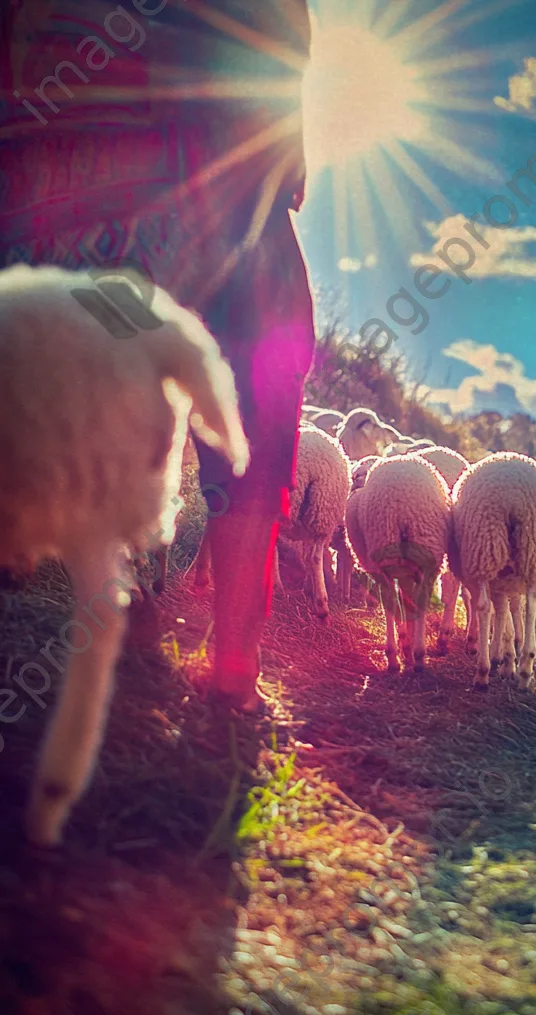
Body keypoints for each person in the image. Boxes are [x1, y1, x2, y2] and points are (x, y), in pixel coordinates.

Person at [0, 0, 315, 709]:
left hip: (45, 156)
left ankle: (131, 596)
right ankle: (232, 655)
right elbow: (278, 47)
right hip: (199, 155)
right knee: (263, 354)